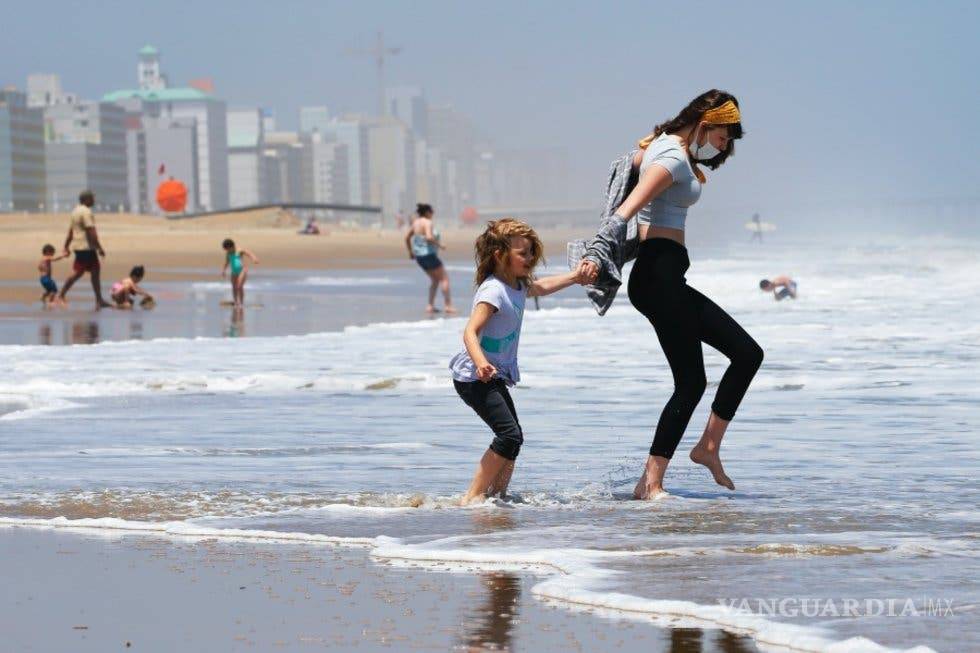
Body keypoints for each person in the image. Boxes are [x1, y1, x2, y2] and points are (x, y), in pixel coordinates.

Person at [579, 90, 763, 499]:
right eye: (724, 134)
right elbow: (625, 209)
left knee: (694, 380)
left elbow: (639, 165)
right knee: (744, 356)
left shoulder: (662, 145)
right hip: (659, 275)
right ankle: (687, 461)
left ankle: (658, 478)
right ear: (706, 121)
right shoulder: (673, 157)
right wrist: (596, 251)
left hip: (662, 275)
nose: (725, 144)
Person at [450, 218, 589, 505]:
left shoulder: (516, 284)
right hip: (474, 377)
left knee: (514, 439)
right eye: (522, 253)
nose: (529, 258)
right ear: (500, 256)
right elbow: (469, 332)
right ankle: (473, 497)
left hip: (491, 375)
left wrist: (575, 277)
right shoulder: (493, 290)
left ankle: (496, 497)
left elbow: (541, 286)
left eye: (530, 252)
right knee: (508, 435)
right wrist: (480, 363)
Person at [57, 190, 111, 309]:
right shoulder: (86, 212)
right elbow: (91, 231)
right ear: (86, 200)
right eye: (92, 198)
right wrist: (100, 247)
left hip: (79, 246)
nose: (94, 200)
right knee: (79, 272)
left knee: (93, 271)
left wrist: (66, 246)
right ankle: (61, 295)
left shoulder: (75, 211)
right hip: (86, 247)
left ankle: (99, 299)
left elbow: (71, 232)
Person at [404, 203, 455, 314]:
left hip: (419, 257)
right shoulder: (427, 222)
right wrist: (440, 245)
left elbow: (407, 237)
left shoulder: (415, 223)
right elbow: (428, 237)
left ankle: (430, 306)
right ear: (427, 212)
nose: (433, 214)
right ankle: (448, 306)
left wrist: (411, 252)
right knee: (444, 279)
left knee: (435, 280)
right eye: (432, 212)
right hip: (429, 255)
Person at [221, 239, 259, 308]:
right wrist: (224, 270)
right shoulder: (228, 253)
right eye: (226, 250)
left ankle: (241, 303)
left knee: (239, 286)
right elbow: (226, 262)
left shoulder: (239, 250)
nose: (227, 251)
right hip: (234, 271)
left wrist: (254, 258)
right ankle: (236, 302)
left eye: (228, 249)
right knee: (234, 287)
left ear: (232, 246)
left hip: (242, 270)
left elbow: (248, 253)